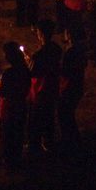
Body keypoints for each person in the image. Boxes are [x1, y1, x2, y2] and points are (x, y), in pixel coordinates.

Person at [28, 19, 61, 153]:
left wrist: (29, 63)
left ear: (40, 34)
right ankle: (49, 141)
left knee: (37, 117)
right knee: (49, 115)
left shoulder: (39, 55)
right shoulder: (57, 49)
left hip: (41, 89)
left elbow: (32, 73)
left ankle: (35, 144)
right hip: (53, 86)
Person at [0, 40, 30, 170]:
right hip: (21, 106)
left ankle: (10, 163)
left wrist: (0, 86)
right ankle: (17, 159)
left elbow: (2, 92)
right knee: (18, 133)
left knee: (8, 135)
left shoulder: (8, 73)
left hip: (9, 108)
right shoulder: (25, 70)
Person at [58, 28, 86, 151]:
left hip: (70, 86)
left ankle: (70, 141)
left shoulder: (71, 52)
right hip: (78, 85)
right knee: (68, 113)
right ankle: (73, 140)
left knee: (65, 113)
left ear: (69, 35)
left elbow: (65, 71)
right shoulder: (81, 50)